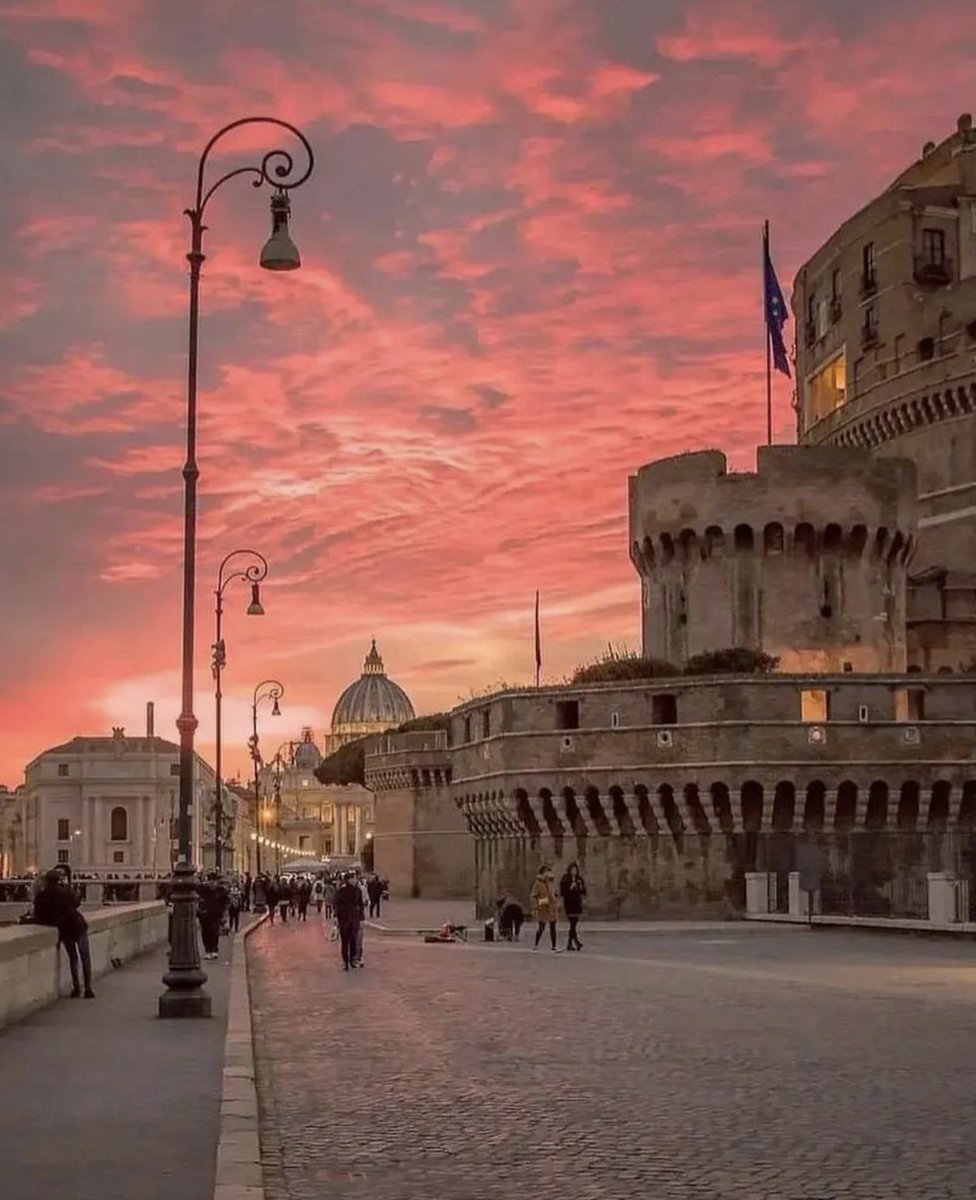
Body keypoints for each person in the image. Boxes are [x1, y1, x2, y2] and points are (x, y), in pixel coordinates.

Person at [34, 866, 95, 998]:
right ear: (58, 880)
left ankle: (76, 988)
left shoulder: (42, 895)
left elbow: (40, 916)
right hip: (78, 925)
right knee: (85, 957)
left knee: (73, 958)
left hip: (65, 929)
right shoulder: (66, 891)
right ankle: (88, 988)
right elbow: (77, 902)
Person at [334, 872, 365, 970]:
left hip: (354, 919)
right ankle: (346, 961)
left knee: (353, 941)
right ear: (348, 880)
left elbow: (361, 905)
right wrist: (335, 916)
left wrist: (361, 918)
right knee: (345, 942)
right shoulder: (341, 891)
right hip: (344, 919)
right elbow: (337, 905)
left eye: (355, 878)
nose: (355, 880)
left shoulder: (358, 891)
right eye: (353, 879)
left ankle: (351, 960)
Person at [197, 871, 228, 960]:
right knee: (206, 932)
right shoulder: (204, 889)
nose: (212, 883)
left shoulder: (220, 890)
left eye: (213, 881)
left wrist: (223, 914)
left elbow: (225, 901)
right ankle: (208, 950)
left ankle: (214, 949)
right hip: (205, 914)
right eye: (210, 880)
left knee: (214, 931)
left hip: (215, 914)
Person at [530, 864, 560, 951]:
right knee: (541, 927)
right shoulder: (538, 883)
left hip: (552, 907)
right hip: (543, 908)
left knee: (553, 927)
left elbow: (555, 893)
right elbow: (533, 896)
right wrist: (539, 904)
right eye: (547, 872)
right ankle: (536, 944)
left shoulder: (552, 882)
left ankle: (554, 945)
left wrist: (556, 900)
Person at [559, 861, 586, 951]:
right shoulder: (565, 879)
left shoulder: (579, 879)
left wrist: (581, 888)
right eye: (572, 870)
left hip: (577, 904)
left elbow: (583, 891)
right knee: (572, 923)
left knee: (574, 924)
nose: (574, 872)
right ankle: (575, 942)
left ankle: (571, 943)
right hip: (569, 904)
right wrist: (570, 887)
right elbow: (563, 892)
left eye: (575, 870)